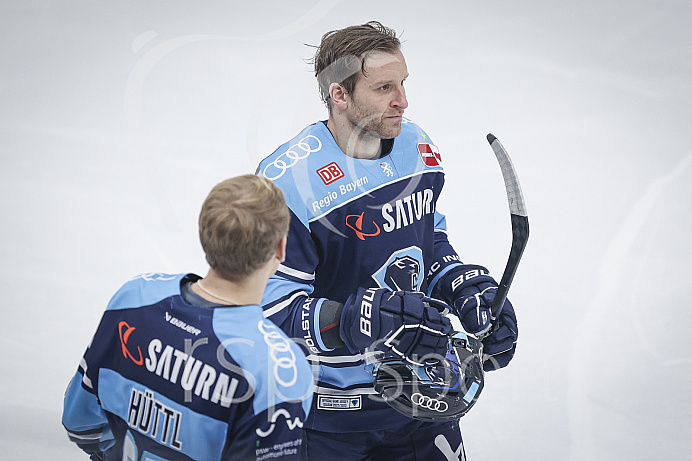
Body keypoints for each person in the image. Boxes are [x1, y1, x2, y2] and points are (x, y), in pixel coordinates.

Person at [256, 21, 519, 460]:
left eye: (402, 83)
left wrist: (462, 286)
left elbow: (429, 247)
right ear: (340, 95)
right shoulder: (286, 183)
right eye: (383, 87)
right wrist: (353, 319)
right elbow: (268, 314)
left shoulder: (415, 146)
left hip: (424, 396)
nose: (403, 100)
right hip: (326, 422)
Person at [62, 175, 314, 461]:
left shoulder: (135, 298)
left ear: (206, 234)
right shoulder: (277, 368)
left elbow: (80, 423)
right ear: (281, 248)